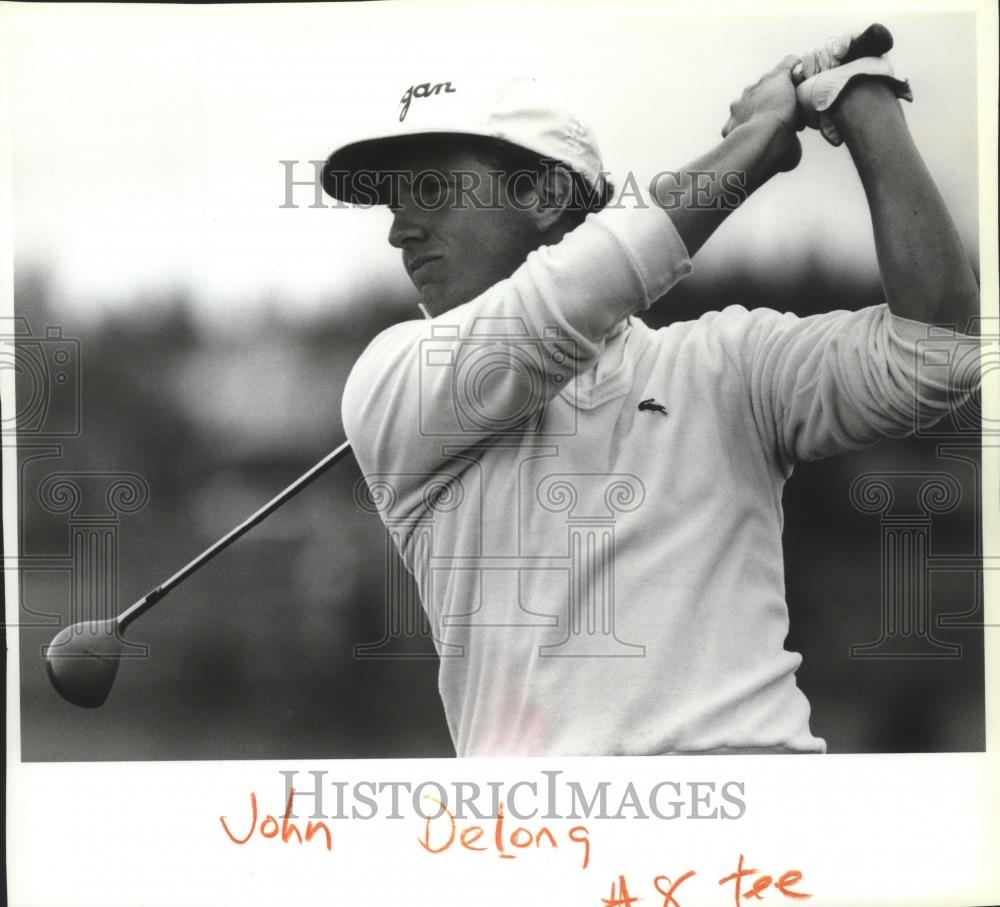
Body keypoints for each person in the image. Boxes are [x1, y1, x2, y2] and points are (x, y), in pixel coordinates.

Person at [321, 37, 980, 756]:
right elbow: (563, 303)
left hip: (765, 836)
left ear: (543, 196)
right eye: (393, 200)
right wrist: (763, 140)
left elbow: (941, 351)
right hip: (545, 844)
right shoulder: (390, 377)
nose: (398, 229)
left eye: (432, 191)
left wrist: (861, 97)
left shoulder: (726, 362)